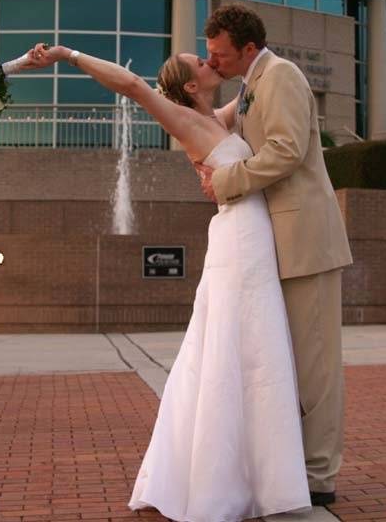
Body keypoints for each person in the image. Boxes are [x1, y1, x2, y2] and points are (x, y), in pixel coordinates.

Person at [21, 43, 311, 521]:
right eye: (201, 61)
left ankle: (265, 477)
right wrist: (67, 55)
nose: (208, 60)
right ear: (190, 86)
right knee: (231, 352)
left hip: (255, 238)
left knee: (258, 354)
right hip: (238, 239)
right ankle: (220, 484)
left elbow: (259, 74)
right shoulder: (182, 118)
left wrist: (248, 46)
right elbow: (132, 85)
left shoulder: (219, 115)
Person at [195, 5, 353, 506]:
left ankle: (320, 475)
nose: (212, 61)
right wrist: (175, 89)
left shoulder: (280, 76)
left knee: (315, 366)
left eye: (218, 54)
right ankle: (292, 468)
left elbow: (285, 151)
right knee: (286, 363)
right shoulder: (247, 85)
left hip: (306, 243)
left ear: (247, 48)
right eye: (208, 54)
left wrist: (225, 182)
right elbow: (200, 119)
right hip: (275, 245)